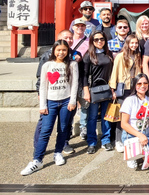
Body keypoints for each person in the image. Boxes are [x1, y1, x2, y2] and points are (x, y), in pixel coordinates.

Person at [21, 40, 79, 176]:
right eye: (58, 50)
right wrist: (43, 105)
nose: (61, 53)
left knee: (63, 128)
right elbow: (43, 86)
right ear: (54, 50)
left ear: (68, 51)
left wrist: (72, 101)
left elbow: (74, 83)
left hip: (66, 101)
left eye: (64, 50)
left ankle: (58, 152)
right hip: (50, 102)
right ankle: (37, 160)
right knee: (45, 130)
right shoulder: (47, 65)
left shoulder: (72, 64)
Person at [33, 30, 81, 155]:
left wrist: (73, 100)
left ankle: (62, 147)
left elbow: (74, 81)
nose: (69, 40)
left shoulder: (73, 58)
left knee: (64, 125)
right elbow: (41, 78)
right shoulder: (47, 58)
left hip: (66, 98)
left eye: (71, 38)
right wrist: (41, 96)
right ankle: (38, 149)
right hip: (50, 98)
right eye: (66, 37)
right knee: (45, 126)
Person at [82, 31, 115, 154]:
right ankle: (91, 142)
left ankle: (106, 140)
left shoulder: (108, 54)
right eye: (96, 40)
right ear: (92, 41)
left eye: (102, 39)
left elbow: (112, 73)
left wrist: (113, 89)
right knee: (92, 117)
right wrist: (86, 91)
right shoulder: (88, 56)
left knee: (106, 116)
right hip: (93, 90)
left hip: (107, 89)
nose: (99, 41)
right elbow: (84, 76)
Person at [120, 74, 149, 169]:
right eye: (139, 83)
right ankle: (133, 155)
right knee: (139, 156)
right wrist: (139, 135)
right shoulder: (129, 100)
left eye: (145, 83)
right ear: (134, 85)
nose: (142, 86)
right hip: (131, 135)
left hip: (146, 134)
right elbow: (124, 124)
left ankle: (142, 153)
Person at [109, 34, 142, 153]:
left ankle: (129, 138)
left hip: (134, 88)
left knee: (132, 115)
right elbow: (114, 73)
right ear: (127, 44)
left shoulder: (137, 56)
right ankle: (118, 140)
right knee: (122, 116)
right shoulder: (120, 56)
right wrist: (112, 90)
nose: (134, 45)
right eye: (132, 43)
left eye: (136, 43)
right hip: (123, 88)